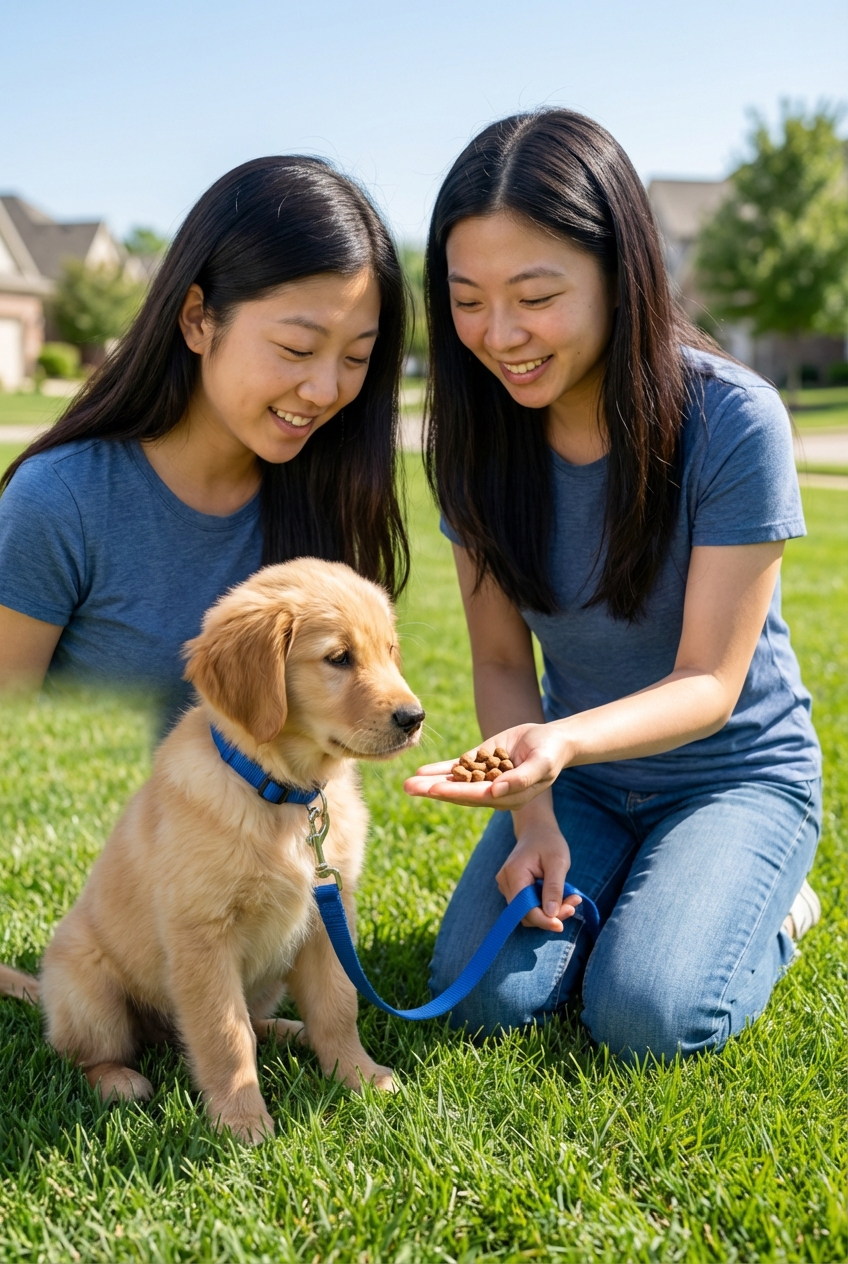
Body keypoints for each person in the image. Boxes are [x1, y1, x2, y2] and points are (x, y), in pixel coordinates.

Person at [405, 109, 822, 1061]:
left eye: (535, 296)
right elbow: (502, 661)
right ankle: (638, 882)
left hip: (734, 777)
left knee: (644, 1014)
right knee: (481, 1000)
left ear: (618, 271)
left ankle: (776, 906)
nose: (499, 334)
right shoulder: (474, 444)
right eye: (467, 300)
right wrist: (533, 817)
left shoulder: (732, 420)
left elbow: (709, 683)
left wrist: (559, 744)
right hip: (581, 780)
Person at [0, 157, 408, 732]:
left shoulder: (327, 488)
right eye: (297, 348)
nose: (325, 390)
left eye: (356, 357)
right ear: (197, 319)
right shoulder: (59, 501)